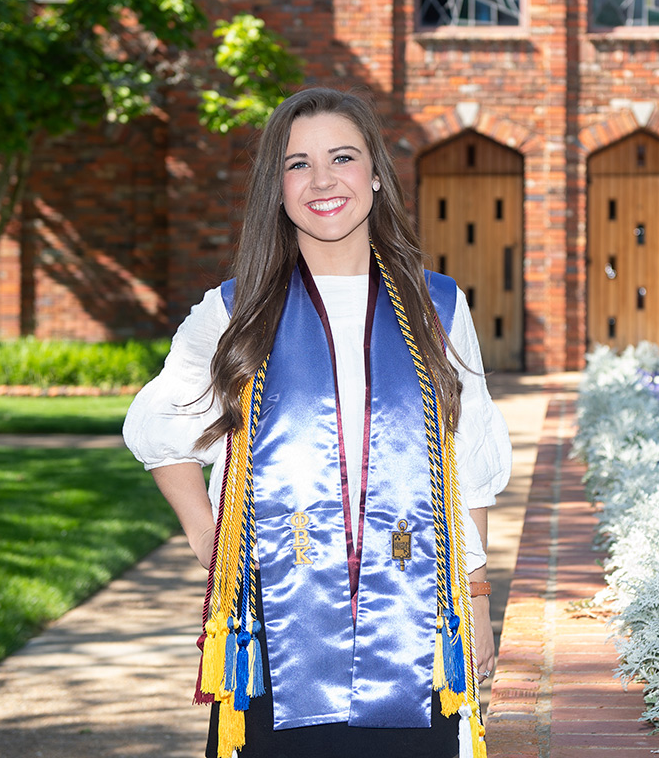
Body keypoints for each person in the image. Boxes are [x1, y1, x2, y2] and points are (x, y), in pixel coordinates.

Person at [123, 87, 511, 758]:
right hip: (281, 622)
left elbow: (468, 458)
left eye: (342, 157)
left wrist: (476, 600)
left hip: (416, 617)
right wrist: (211, 544)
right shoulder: (235, 311)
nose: (323, 180)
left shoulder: (439, 305)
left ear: (377, 176)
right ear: (276, 187)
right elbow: (158, 427)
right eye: (298, 163)